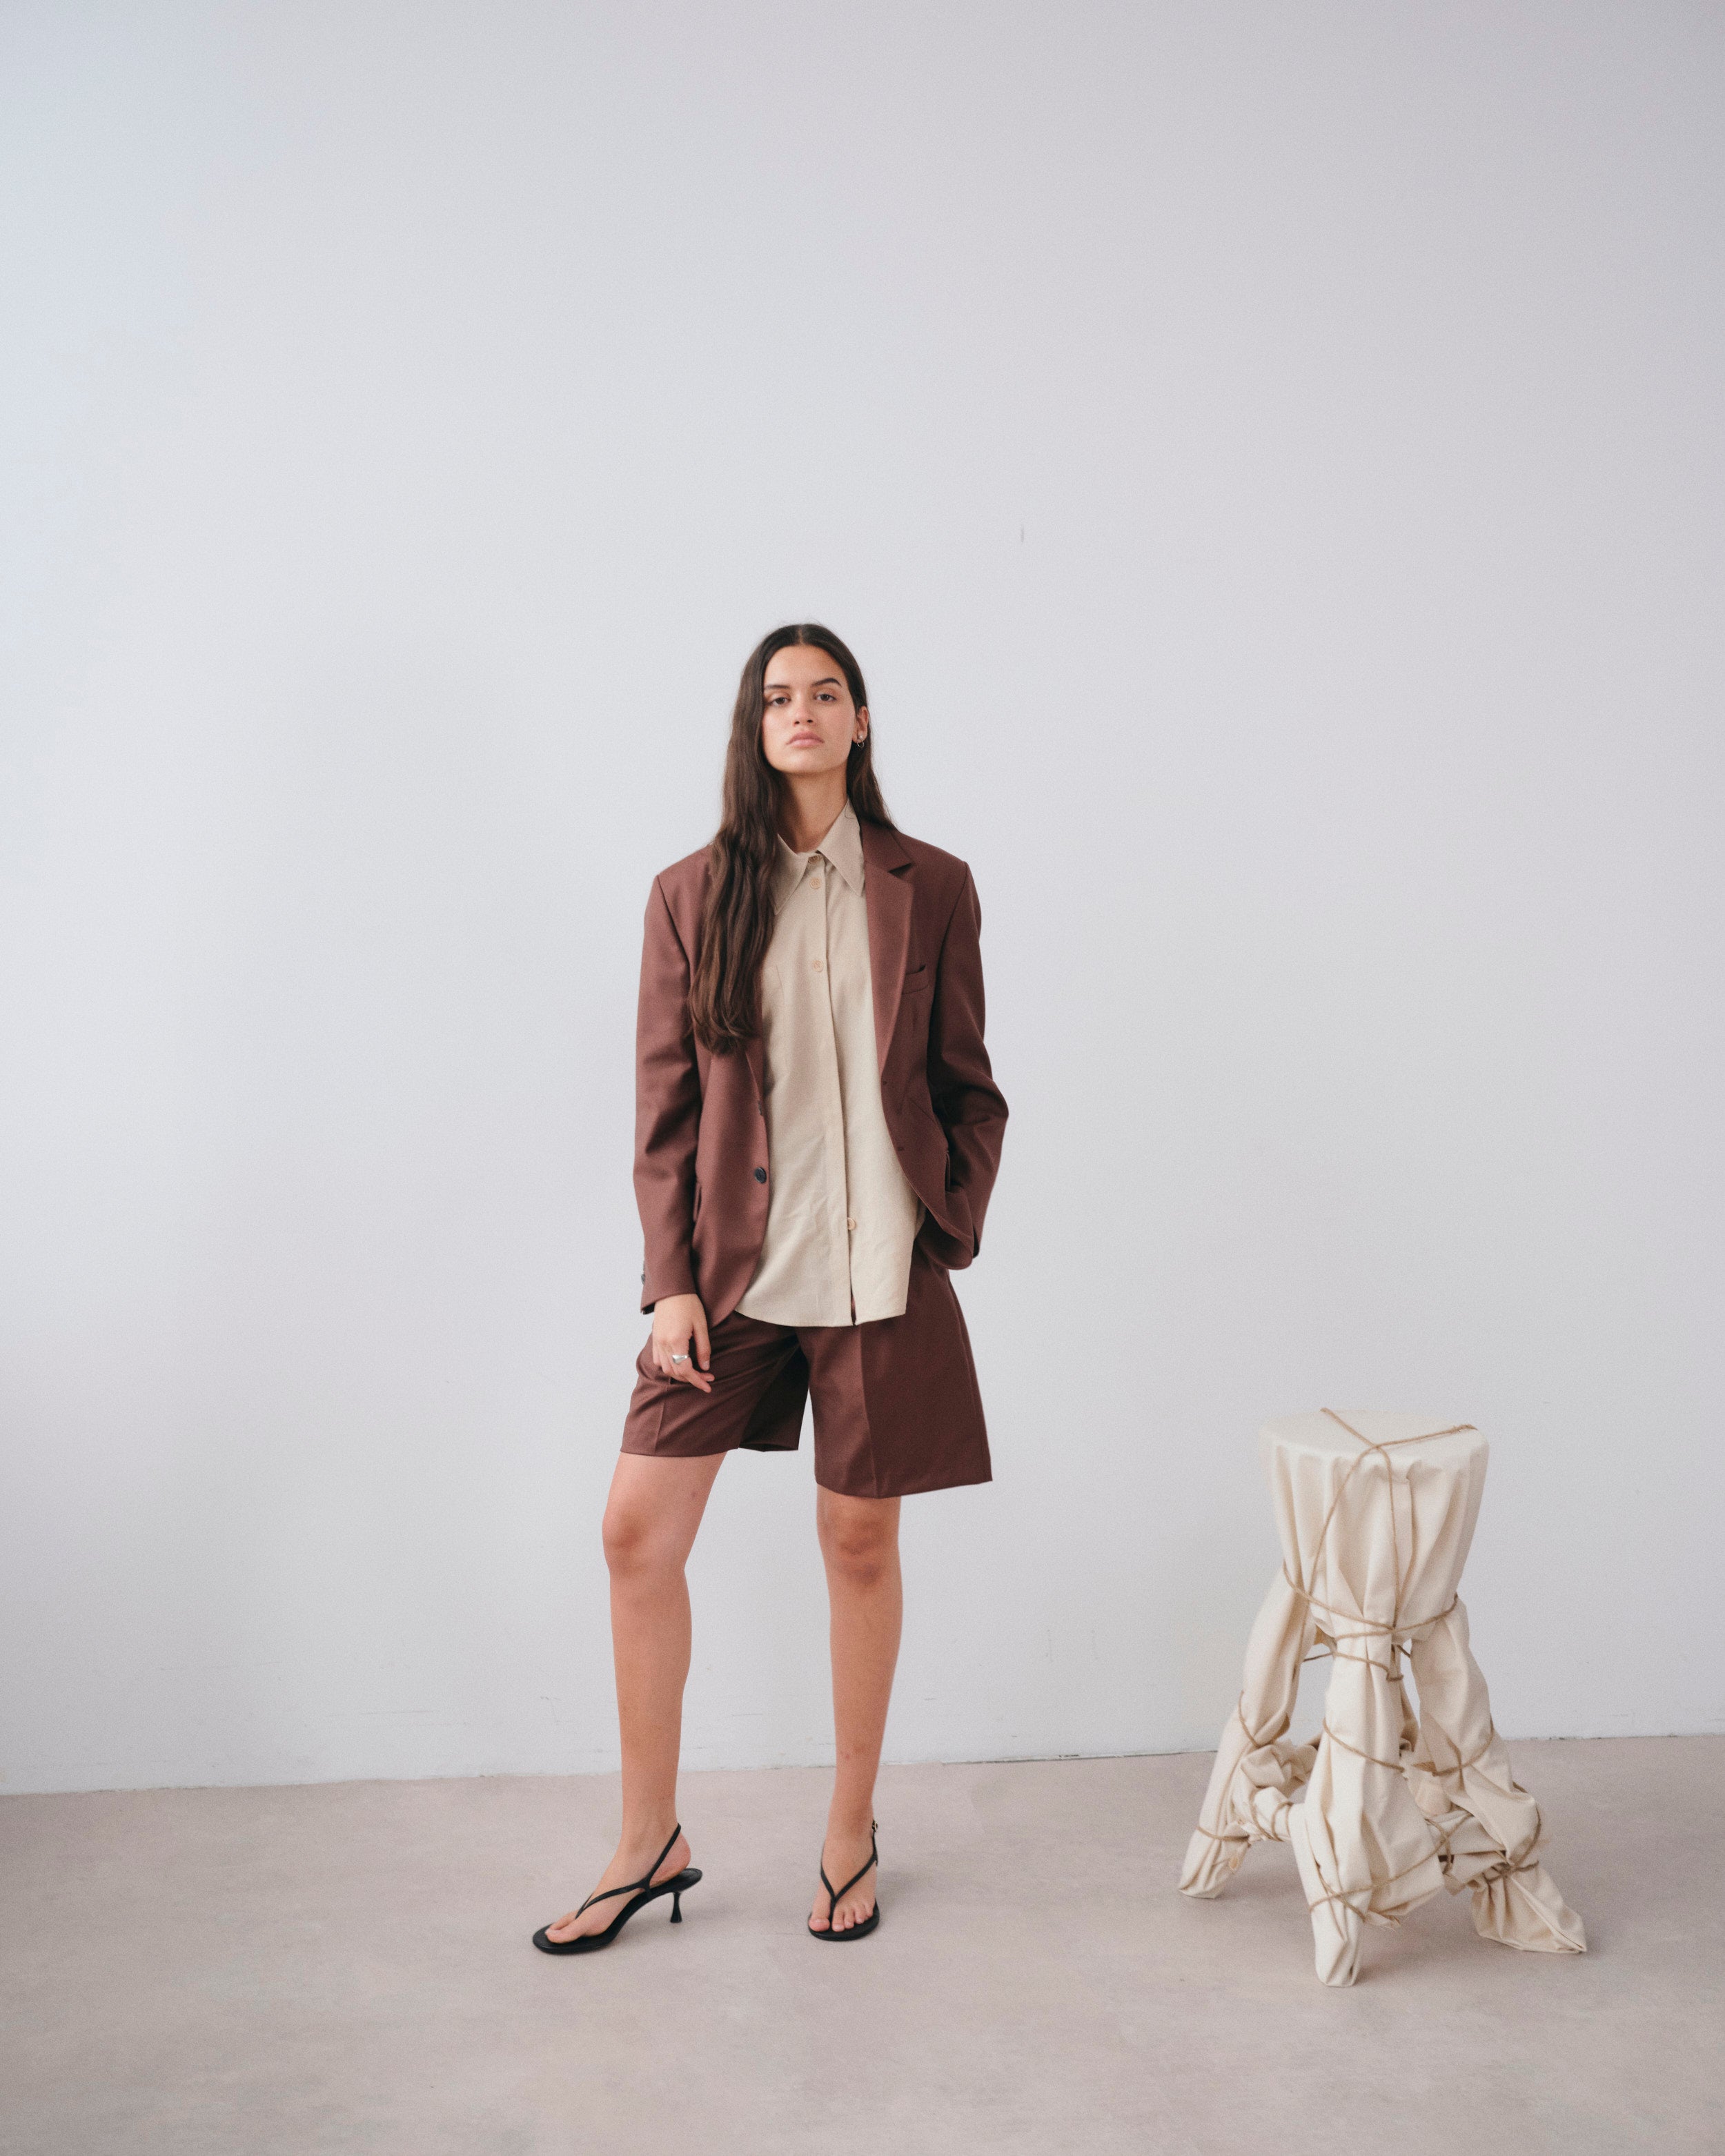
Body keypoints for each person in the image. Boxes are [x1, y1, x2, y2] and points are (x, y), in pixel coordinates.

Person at [533, 624, 1007, 1953]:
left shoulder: (933, 886)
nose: (802, 712)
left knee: (858, 1547)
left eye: (826, 693)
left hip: (876, 1276)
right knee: (637, 1532)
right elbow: (664, 1113)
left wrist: (946, 1220)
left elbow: (971, 1086)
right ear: (755, 727)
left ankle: (851, 1830)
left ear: (861, 721)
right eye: (779, 697)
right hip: (731, 1283)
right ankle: (648, 1841)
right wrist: (669, 1286)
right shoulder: (692, 893)